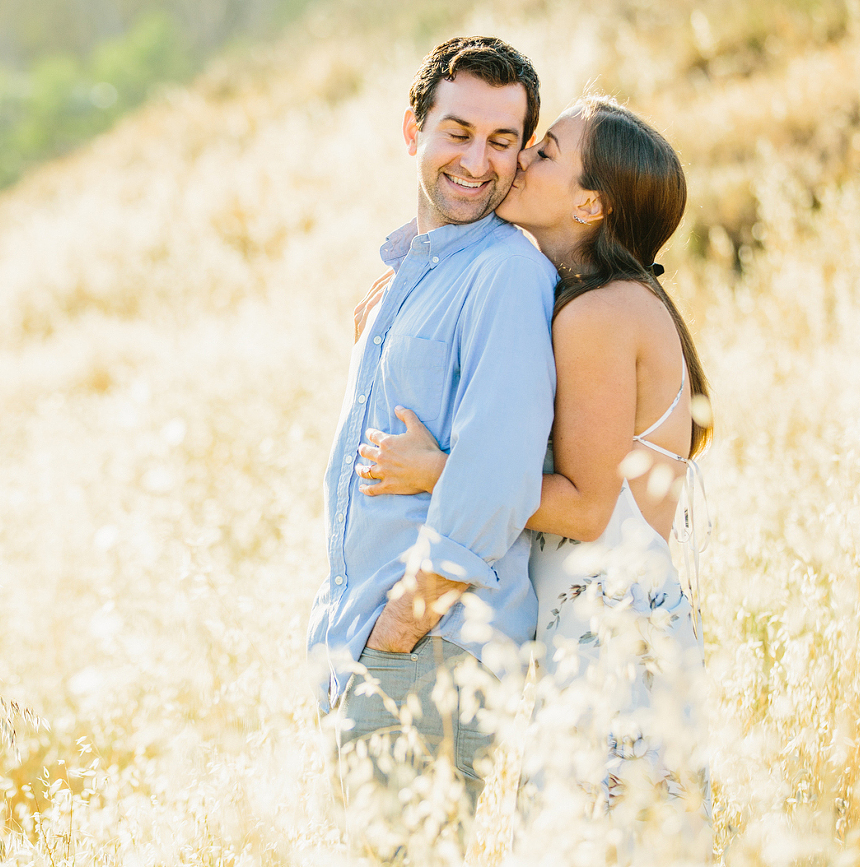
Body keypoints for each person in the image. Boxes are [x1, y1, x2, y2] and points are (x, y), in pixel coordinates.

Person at [353, 95, 712, 849]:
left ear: (589, 202)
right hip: (604, 628)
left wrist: (437, 472)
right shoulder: (599, 300)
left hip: (609, 637)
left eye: (544, 152)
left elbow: (586, 509)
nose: (518, 160)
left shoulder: (598, 316)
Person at [305, 35, 558, 846]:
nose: (477, 162)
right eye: (458, 132)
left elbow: (499, 474)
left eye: (502, 141)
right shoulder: (409, 275)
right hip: (372, 647)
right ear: (411, 130)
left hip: (430, 647)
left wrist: (400, 625)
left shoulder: (507, 274)